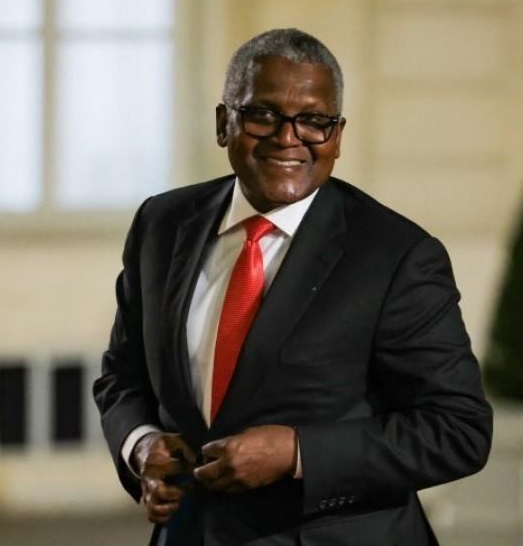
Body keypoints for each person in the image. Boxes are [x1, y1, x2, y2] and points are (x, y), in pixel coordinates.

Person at [94, 28, 493, 546]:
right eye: (263, 115)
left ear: (337, 136)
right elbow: (122, 374)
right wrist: (140, 445)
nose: (288, 138)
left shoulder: (396, 256)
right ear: (223, 123)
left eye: (313, 121)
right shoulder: (162, 224)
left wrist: (298, 454)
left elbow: (458, 430)